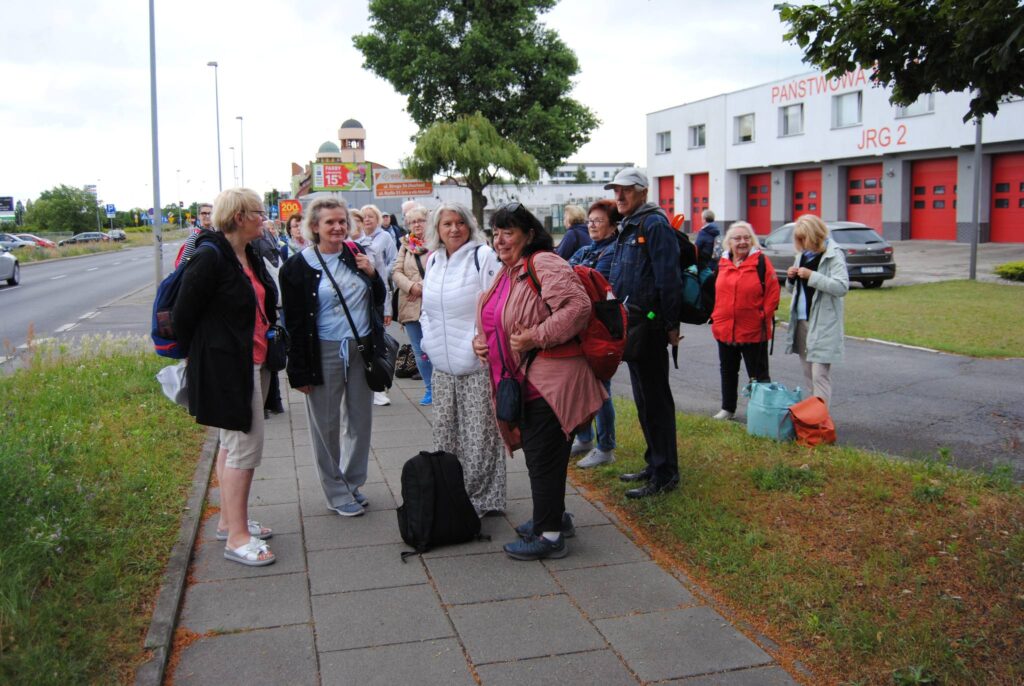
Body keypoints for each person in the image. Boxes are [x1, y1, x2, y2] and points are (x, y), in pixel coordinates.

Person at [474, 203, 606, 561]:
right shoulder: (508, 270)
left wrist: (535, 336)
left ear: (529, 235)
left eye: (509, 232)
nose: (500, 240)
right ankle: (554, 519)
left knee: (543, 458)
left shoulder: (543, 262)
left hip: (549, 382)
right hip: (524, 378)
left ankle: (549, 537)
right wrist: (482, 340)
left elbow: (577, 308)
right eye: (496, 233)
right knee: (542, 457)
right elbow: (497, 316)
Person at [172, 188, 277, 566]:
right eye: (258, 213)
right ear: (238, 217)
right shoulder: (210, 257)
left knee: (231, 444)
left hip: (254, 360)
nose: (263, 219)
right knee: (245, 448)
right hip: (229, 368)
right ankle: (237, 538)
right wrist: (208, 359)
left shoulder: (246, 254)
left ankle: (229, 521)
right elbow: (183, 316)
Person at [279, 196, 386, 517]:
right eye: (330, 222)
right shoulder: (297, 267)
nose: (338, 227)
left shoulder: (357, 254)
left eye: (342, 221)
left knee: (360, 421)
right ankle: (335, 491)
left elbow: (377, 299)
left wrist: (372, 275)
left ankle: (352, 482)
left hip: (361, 348)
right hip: (322, 350)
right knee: (325, 425)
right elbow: (294, 324)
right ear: (315, 227)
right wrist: (298, 371)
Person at [419, 202, 504, 515]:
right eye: (446, 224)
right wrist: (428, 338)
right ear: (437, 230)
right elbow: (427, 309)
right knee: (445, 435)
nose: (454, 229)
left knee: (480, 437)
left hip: (475, 363)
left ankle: (483, 500)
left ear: (469, 225)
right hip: (441, 365)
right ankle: (453, 493)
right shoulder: (433, 261)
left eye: (460, 223)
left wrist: (481, 339)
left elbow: (495, 304)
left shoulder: (483, 256)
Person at [606, 168, 682, 498]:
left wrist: (671, 325)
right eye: (616, 191)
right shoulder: (630, 225)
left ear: (643, 192)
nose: (619, 196)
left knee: (656, 402)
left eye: (626, 190)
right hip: (632, 324)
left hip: (650, 325)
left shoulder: (654, 224)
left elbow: (669, 278)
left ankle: (665, 474)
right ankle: (654, 463)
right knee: (643, 400)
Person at [567, 199, 621, 467]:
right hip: (583, 326)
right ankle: (585, 438)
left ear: (613, 225)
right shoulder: (588, 249)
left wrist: (573, 276)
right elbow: (566, 273)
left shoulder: (613, 251)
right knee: (582, 385)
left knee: (601, 388)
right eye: (590, 220)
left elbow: (591, 285)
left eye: (598, 221)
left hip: (601, 328)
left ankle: (606, 447)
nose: (592, 225)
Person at [709, 221, 780, 420]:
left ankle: (763, 412)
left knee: (758, 374)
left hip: (753, 330)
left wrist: (761, 316)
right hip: (725, 329)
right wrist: (715, 314)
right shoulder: (722, 263)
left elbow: (773, 294)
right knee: (728, 371)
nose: (742, 242)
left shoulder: (761, 262)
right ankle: (727, 408)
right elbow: (714, 293)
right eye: (737, 238)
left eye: (747, 238)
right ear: (729, 243)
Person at [785, 214, 848, 407]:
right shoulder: (801, 255)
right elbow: (793, 290)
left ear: (815, 235)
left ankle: (821, 423)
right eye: (799, 239)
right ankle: (812, 418)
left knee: (819, 375)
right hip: (802, 322)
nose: (802, 243)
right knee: (808, 375)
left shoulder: (833, 254)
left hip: (823, 323)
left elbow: (841, 287)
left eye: (805, 238)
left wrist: (813, 276)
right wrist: (790, 278)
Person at [390, 204, 433, 405]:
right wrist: (411, 287)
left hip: (433, 302)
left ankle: (442, 387)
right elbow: (396, 271)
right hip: (410, 303)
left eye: (420, 220)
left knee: (435, 347)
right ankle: (429, 389)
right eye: (413, 221)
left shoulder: (437, 242)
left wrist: (421, 287)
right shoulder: (405, 244)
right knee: (419, 349)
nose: (416, 224)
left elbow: (442, 268)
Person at [359, 204, 398, 406]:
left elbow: (390, 264)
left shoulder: (384, 238)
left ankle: (380, 386)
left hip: (378, 295)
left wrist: (388, 308)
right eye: (362, 217)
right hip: (359, 302)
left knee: (377, 341)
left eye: (370, 217)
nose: (366, 220)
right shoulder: (352, 244)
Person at [254, 220, 286, 418]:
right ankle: (272, 402)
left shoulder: (259, 244)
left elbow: (273, 274)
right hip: (268, 311)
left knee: (268, 357)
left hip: (265, 312)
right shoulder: (264, 242)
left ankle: (269, 403)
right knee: (270, 355)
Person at [176, 202, 214, 266]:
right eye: (204, 213)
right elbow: (184, 261)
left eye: (210, 213)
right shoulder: (195, 237)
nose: (207, 216)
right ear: (199, 216)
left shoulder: (215, 232)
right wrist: (194, 259)